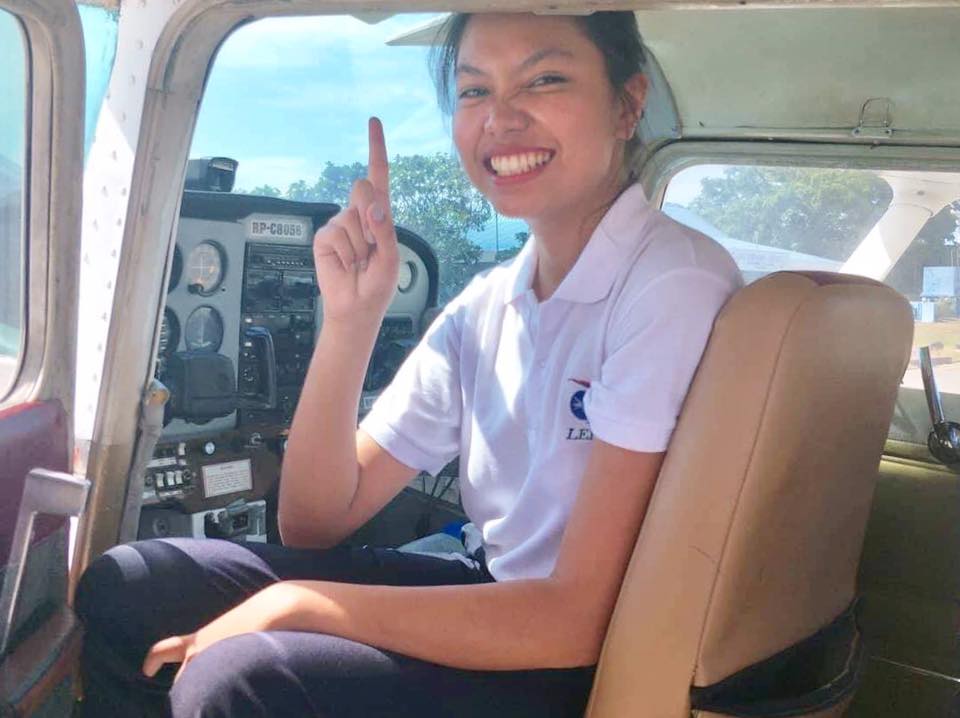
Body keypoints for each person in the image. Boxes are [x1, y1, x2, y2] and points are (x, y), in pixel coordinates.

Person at [75, 11, 742, 717]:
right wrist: (350, 320)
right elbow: (315, 522)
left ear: (628, 105)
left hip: (580, 652)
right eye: (475, 90)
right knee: (129, 585)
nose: (501, 119)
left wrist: (303, 604)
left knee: (238, 679)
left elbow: (574, 621)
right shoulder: (489, 303)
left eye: (545, 80)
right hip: (496, 588)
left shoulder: (669, 283)